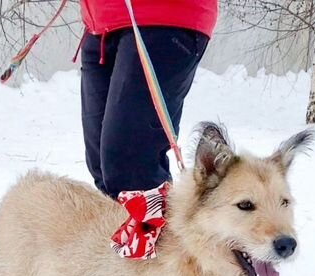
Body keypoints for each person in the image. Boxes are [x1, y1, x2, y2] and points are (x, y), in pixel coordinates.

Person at [78, 0, 218, 200]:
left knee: (131, 165)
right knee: (101, 165)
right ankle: (124, 228)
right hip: (100, 24)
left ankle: (154, 228)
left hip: (162, 17)